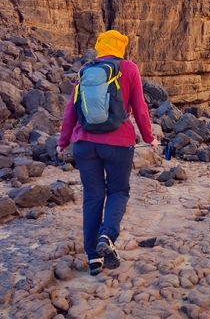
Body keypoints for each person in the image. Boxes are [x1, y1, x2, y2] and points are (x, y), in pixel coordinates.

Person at [57, 30, 158, 275]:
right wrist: (149, 138)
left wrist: (62, 141)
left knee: (93, 197)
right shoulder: (128, 68)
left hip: (84, 143)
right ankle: (107, 235)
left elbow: (71, 109)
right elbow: (140, 108)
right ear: (120, 47)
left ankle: (93, 258)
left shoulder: (85, 70)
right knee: (118, 191)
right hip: (118, 144)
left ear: (100, 46)